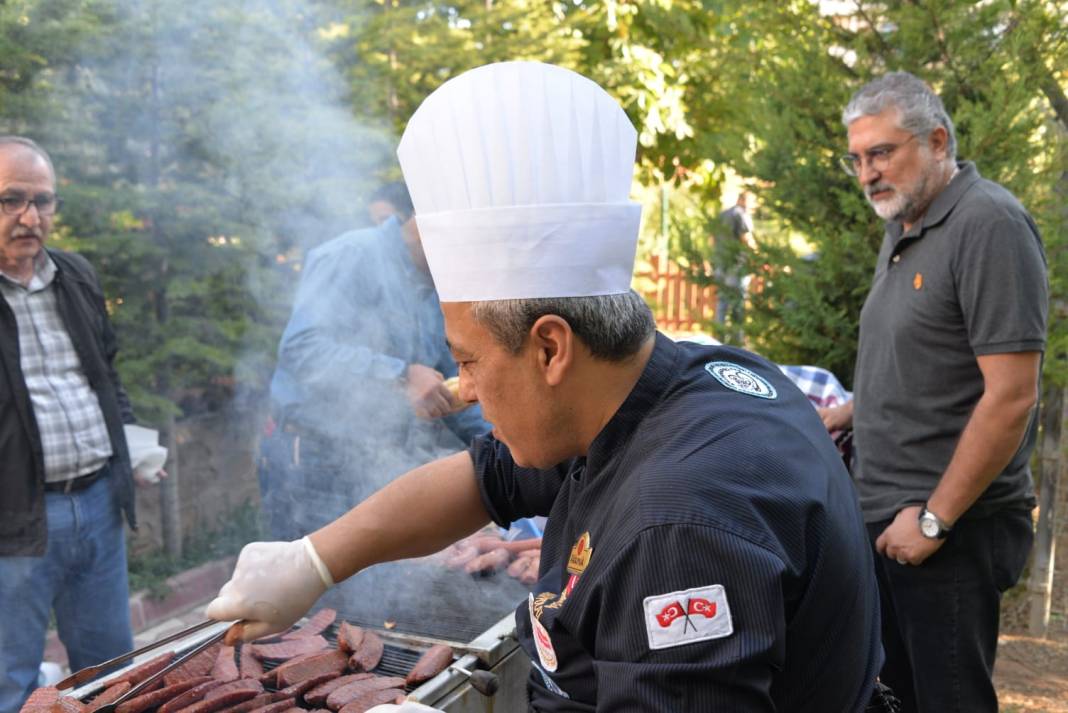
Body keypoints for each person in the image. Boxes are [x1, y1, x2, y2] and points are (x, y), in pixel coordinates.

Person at [212, 62, 884, 712]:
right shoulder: (661, 389)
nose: (465, 390)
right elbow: (482, 478)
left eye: (470, 361)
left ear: (551, 348)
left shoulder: (678, 526)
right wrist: (312, 560)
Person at [819, 72, 1048, 713]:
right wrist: (847, 411)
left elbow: (1011, 395)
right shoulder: (904, 227)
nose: (868, 173)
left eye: (883, 152)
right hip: (889, 524)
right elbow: (926, 362)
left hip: (949, 530)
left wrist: (933, 519)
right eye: (858, 158)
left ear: (937, 140)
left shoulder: (989, 224)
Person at [0, 137, 159, 713]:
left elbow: (104, 376)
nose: (29, 216)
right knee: (12, 683)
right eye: (11, 200)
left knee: (111, 672)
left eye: (42, 201)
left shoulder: (76, 276)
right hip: (14, 522)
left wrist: (130, 450)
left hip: (96, 503)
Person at [257, 179, 491, 572]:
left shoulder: (438, 286)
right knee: (313, 591)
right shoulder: (351, 255)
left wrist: (506, 448)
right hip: (314, 460)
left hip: (378, 459)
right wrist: (399, 376)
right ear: (422, 224)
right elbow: (301, 349)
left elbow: (455, 383)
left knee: (377, 588)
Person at [712, 191, 755, 339]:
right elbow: (746, 238)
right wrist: (759, 256)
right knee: (738, 304)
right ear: (743, 200)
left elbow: (712, 239)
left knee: (722, 304)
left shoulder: (723, 214)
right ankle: (738, 342)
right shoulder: (741, 215)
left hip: (720, 264)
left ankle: (718, 339)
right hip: (737, 266)